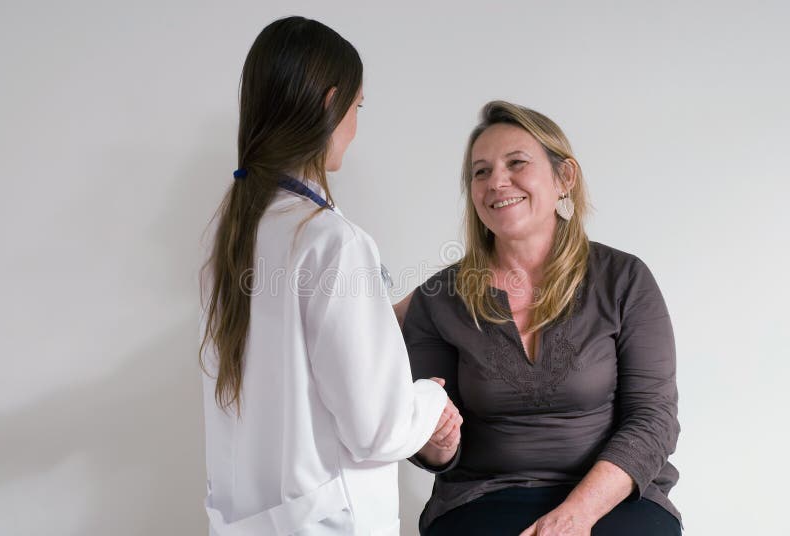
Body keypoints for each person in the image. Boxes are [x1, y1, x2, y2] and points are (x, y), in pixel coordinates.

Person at [198, 17, 461, 536]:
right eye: (357, 107)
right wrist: (429, 400)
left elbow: (295, 352)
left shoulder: (230, 238)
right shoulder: (333, 242)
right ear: (331, 103)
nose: (356, 126)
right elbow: (378, 429)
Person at [401, 101, 681, 535]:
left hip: (611, 495)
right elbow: (435, 446)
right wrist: (436, 441)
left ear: (563, 178)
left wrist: (577, 514)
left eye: (516, 163)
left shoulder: (625, 280)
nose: (496, 182)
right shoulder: (440, 297)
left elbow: (654, 420)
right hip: (482, 495)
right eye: (480, 172)